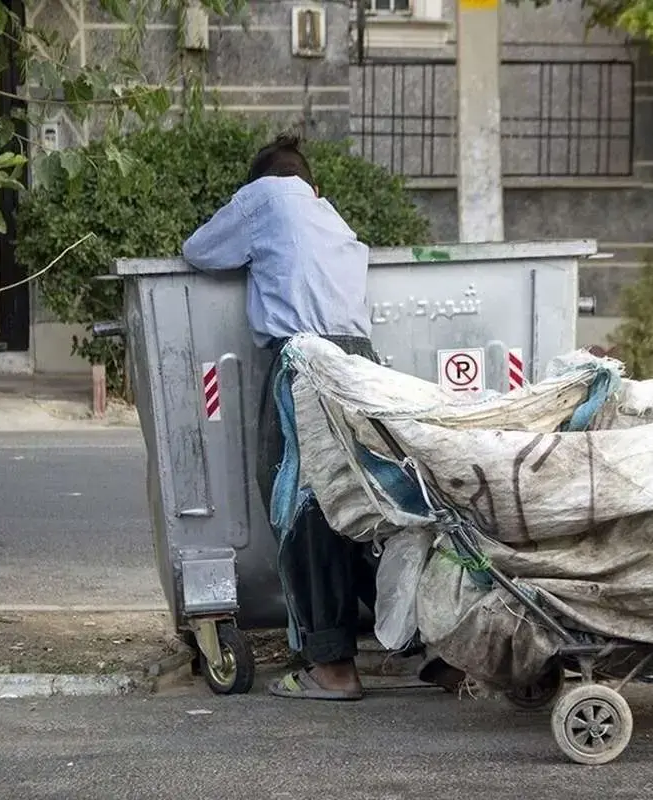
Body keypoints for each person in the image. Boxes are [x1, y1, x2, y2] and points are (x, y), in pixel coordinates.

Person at [182, 133, 463, 701]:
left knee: (302, 506)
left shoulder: (267, 196)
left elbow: (201, 250)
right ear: (316, 183)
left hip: (306, 365)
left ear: (266, 179)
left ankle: (332, 666)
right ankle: (435, 646)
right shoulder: (331, 216)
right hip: (361, 366)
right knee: (372, 505)